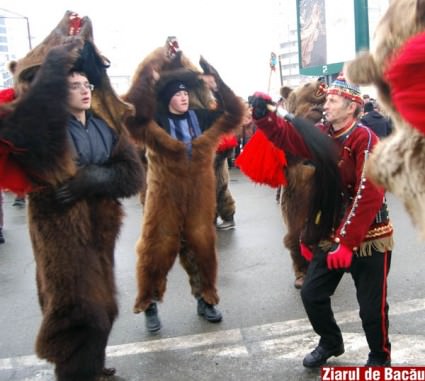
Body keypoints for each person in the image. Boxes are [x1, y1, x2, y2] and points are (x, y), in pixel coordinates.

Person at [0, 15, 144, 381]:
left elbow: (132, 176)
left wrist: (94, 179)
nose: (85, 90)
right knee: (75, 310)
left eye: (86, 84)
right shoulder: (43, 131)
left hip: (101, 228)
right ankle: (75, 374)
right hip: (59, 229)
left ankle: (92, 367)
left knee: (105, 307)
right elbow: (27, 118)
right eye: (74, 85)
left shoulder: (104, 126)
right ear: (55, 93)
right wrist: (53, 65)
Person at [249, 75, 393, 367]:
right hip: (330, 233)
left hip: (369, 236)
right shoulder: (321, 133)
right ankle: (330, 341)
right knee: (312, 294)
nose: (325, 104)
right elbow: (287, 138)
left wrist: (347, 243)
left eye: (332, 100)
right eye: (326, 99)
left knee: (371, 309)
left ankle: (379, 357)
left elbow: (369, 194)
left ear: (352, 107)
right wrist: (264, 118)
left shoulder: (365, 139)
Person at [124, 48, 244, 333]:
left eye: (186, 94)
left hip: (199, 198)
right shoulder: (156, 122)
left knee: (202, 247)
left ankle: (206, 298)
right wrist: (147, 80)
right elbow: (132, 117)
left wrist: (217, 84)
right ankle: (149, 303)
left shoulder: (201, 118)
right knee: (157, 248)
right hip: (163, 196)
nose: (184, 97)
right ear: (167, 99)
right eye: (178, 95)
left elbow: (234, 113)